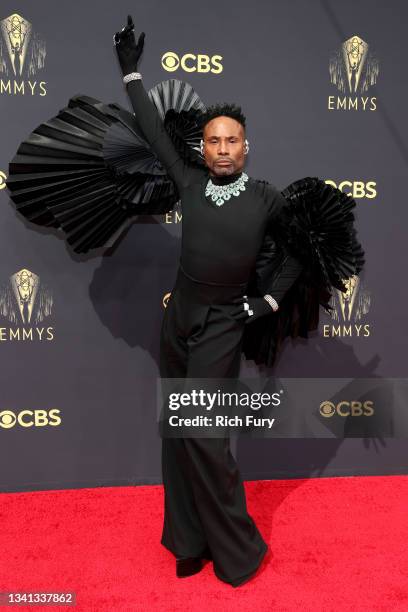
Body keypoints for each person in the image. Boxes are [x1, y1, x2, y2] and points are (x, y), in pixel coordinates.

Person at [113, 15, 306, 588]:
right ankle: (188, 541)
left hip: (223, 322)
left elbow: (301, 251)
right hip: (178, 319)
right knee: (178, 433)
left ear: (247, 147)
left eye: (232, 142)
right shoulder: (190, 181)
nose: (222, 150)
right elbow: (150, 128)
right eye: (214, 141)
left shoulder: (268, 199)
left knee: (203, 434)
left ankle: (238, 550)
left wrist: (269, 304)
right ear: (203, 146)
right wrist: (131, 72)